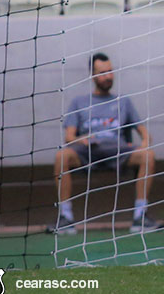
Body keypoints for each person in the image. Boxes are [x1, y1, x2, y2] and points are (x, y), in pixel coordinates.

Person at [51, 52, 158, 234]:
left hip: (118, 151)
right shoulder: (79, 102)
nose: (108, 76)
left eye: (110, 71)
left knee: (147, 156)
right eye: (102, 73)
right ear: (93, 75)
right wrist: (81, 140)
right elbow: (69, 137)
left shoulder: (123, 101)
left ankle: (141, 217)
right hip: (88, 152)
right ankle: (65, 218)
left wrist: (145, 143)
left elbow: (144, 132)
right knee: (62, 156)